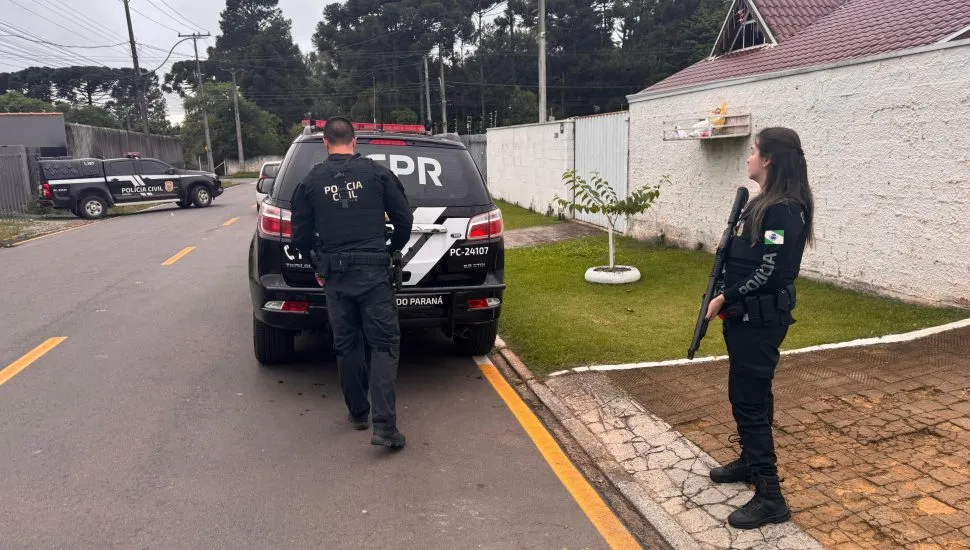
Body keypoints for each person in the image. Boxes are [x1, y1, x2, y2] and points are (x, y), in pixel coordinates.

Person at [704, 127, 815, 530]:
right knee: (750, 394)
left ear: (768, 159)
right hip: (746, 318)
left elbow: (771, 270)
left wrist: (726, 296)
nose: (748, 157)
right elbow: (750, 259)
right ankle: (751, 464)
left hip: (760, 319)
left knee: (749, 400)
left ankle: (770, 495)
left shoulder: (784, 209)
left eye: (753, 151)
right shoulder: (762, 203)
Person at [290, 117, 414, 449]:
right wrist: (392, 249)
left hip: (335, 276)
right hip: (374, 273)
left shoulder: (311, 182)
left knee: (347, 344)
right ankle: (385, 426)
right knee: (384, 345)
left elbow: (299, 235)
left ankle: (359, 413)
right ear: (355, 141)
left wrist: (316, 261)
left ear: (325, 143)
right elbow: (404, 219)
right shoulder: (378, 174)